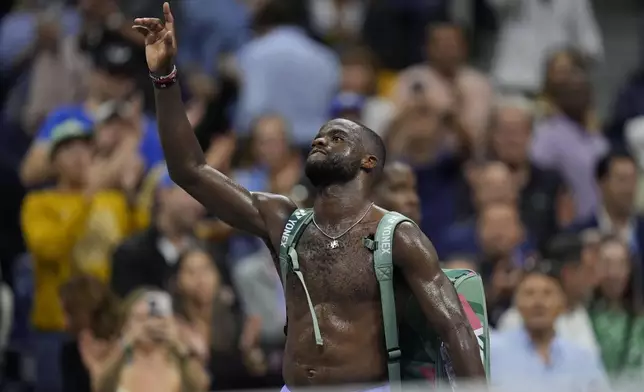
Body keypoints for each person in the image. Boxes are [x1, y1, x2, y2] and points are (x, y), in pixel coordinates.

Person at [133, 3, 485, 389]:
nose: (320, 139)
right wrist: (164, 77)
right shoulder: (283, 220)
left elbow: (456, 328)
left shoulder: (396, 235)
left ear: (368, 162)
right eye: (320, 135)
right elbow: (190, 171)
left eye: (337, 138)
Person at [491, 262, 609, 392]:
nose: (538, 302)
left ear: (562, 302)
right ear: (517, 302)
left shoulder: (582, 358)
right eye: (529, 293)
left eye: (547, 293)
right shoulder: (493, 352)